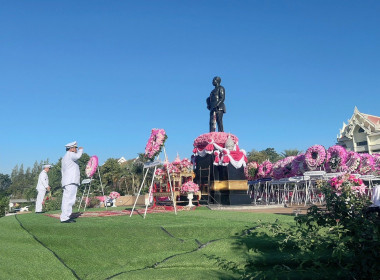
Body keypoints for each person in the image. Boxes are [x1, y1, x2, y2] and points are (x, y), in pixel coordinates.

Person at [60, 141, 83, 223]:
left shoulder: (65, 157)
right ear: (72, 148)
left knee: (66, 199)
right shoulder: (71, 154)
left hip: (67, 181)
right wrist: (81, 150)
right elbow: (78, 156)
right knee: (70, 200)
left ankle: (65, 216)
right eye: (75, 148)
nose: (76, 149)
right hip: (71, 180)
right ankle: (65, 217)